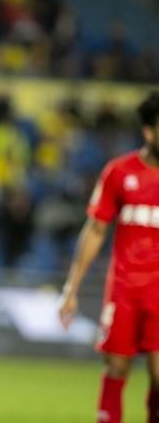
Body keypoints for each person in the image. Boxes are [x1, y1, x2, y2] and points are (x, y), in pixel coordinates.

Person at [59, 91, 159, 423]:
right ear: (149, 131)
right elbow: (96, 230)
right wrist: (72, 288)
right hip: (125, 289)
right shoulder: (119, 172)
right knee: (116, 367)